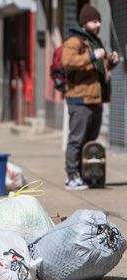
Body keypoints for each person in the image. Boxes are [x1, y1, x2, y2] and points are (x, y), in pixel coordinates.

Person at [62, 4, 119, 190]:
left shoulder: (94, 40)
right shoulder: (75, 41)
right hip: (80, 99)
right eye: (94, 21)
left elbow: (99, 69)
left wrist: (110, 62)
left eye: (99, 21)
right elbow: (68, 61)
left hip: (96, 99)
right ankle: (72, 176)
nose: (98, 24)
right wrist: (92, 55)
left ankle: (84, 174)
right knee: (77, 140)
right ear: (84, 22)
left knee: (89, 142)